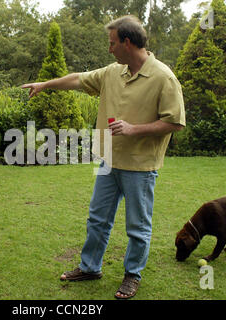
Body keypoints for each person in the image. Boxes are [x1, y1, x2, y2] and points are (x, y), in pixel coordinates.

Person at [21, 15, 185, 299]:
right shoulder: (113, 72)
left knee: (137, 226)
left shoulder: (163, 77)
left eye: (112, 43)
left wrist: (134, 129)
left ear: (127, 42)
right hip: (108, 160)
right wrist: (45, 84)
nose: (109, 49)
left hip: (140, 167)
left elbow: (175, 122)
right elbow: (78, 79)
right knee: (97, 219)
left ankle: (132, 275)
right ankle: (90, 267)